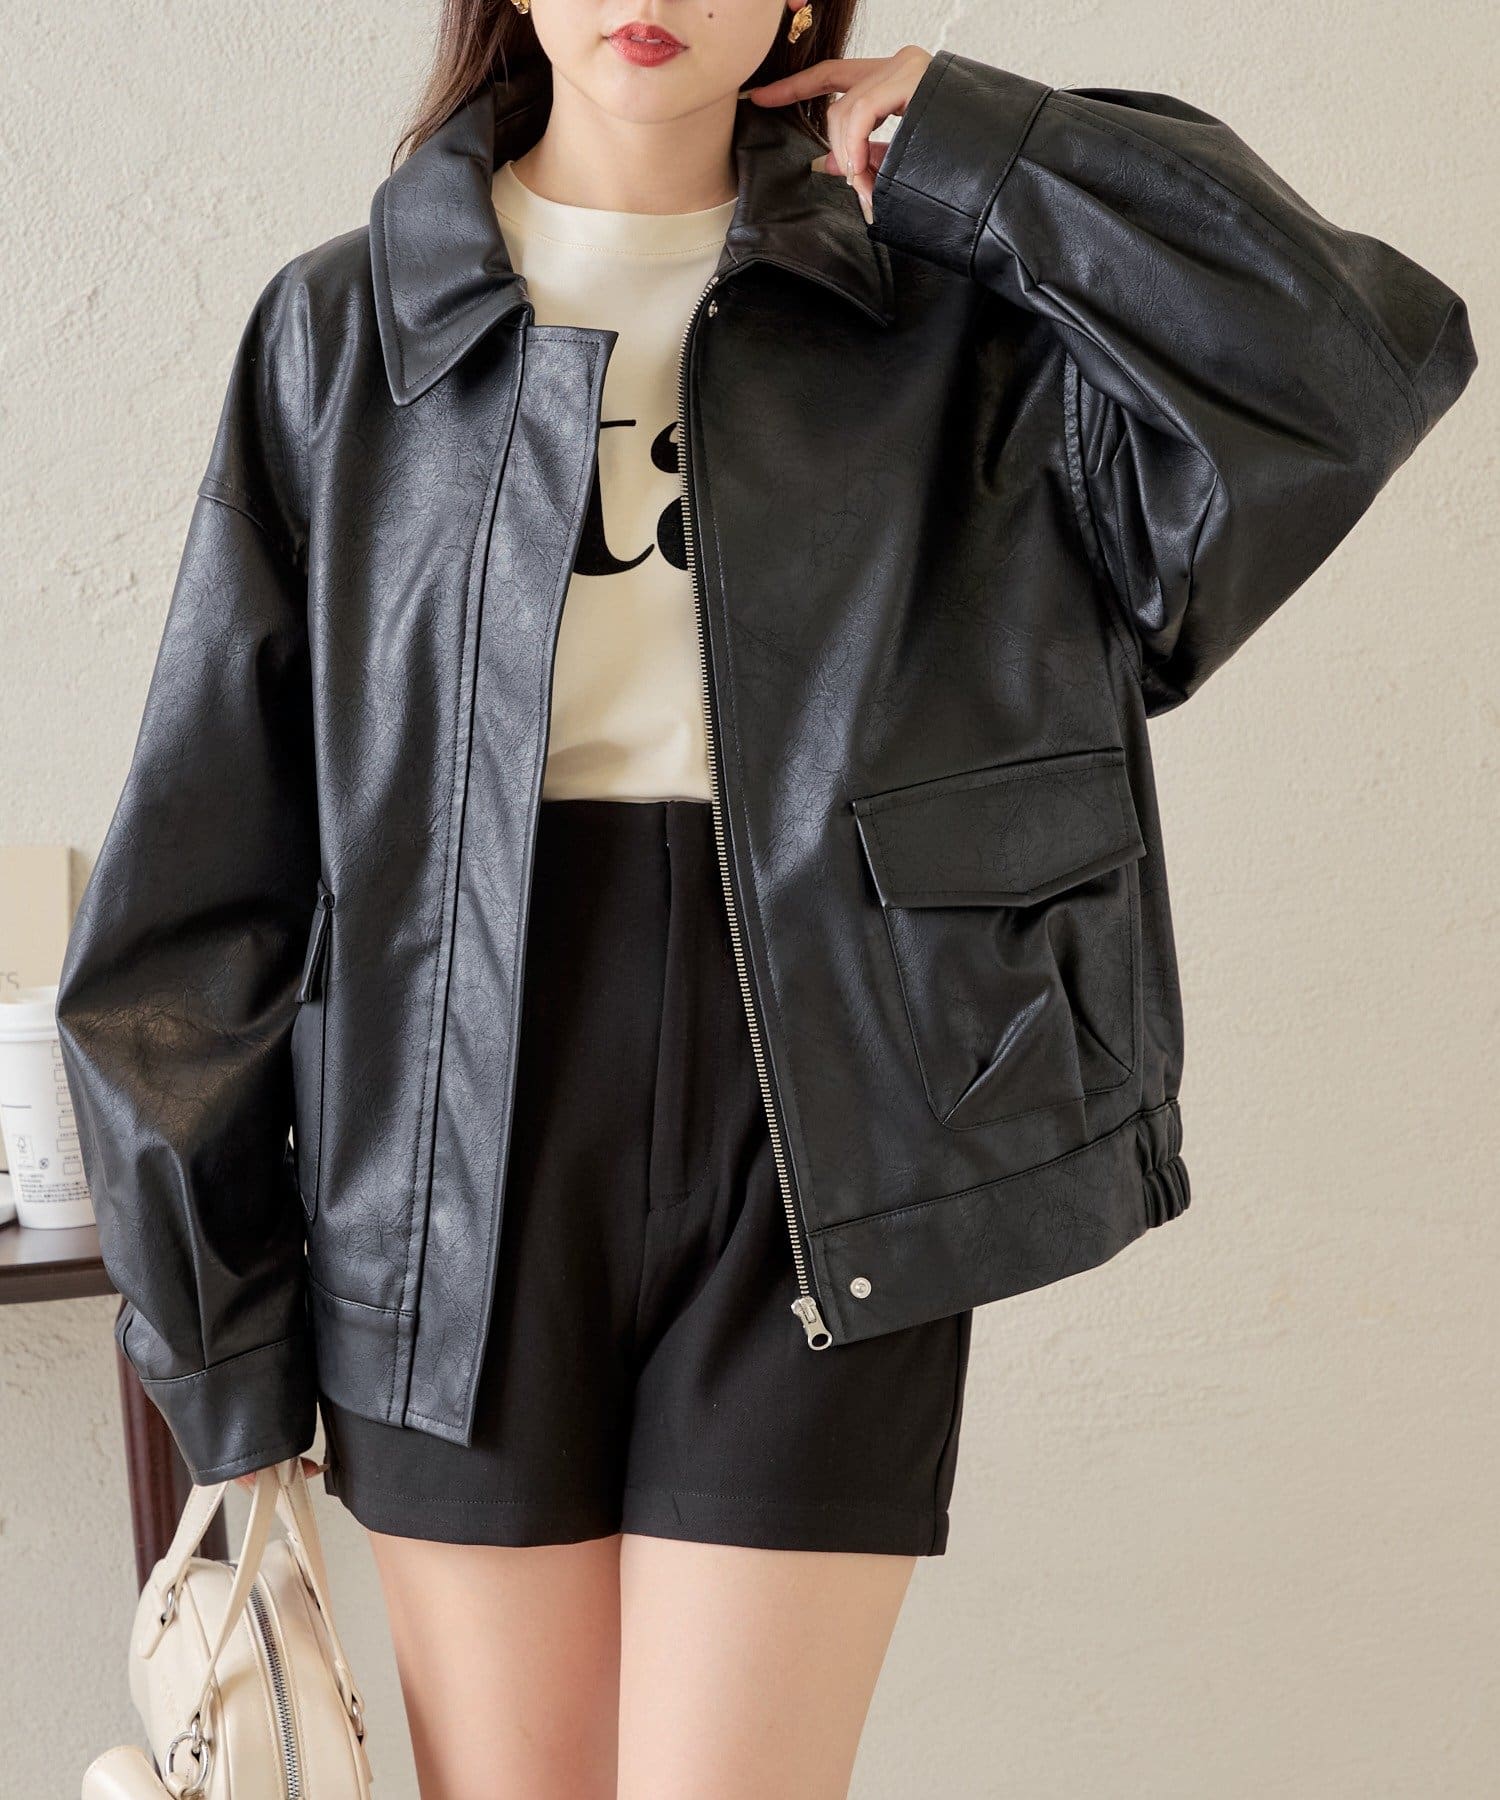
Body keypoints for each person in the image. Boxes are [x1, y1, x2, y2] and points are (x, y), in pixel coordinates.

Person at [55, 2, 1475, 1795]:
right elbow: (203, 881)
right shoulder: (346, 332)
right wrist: (225, 1350)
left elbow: (1353, 365)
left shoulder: (954, 321)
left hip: (835, 1118)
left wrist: (990, 150)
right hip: (445, 1157)